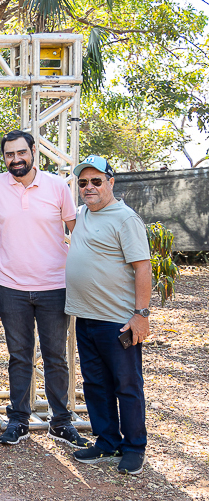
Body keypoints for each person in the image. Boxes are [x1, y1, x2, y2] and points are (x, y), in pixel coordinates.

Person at [0, 130, 89, 448]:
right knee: (19, 356)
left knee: (56, 357)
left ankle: (61, 422)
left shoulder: (57, 186)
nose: (15, 159)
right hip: (10, 287)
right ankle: (18, 420)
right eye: (9, 154)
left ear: (33, 152)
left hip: (54, 286)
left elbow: (77, 231)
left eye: (21, 152)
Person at [65, 155, 152, 475]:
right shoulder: (81, 214)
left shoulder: (125, 218)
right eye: (83, 182)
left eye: (96, 181)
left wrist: (141, 315)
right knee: (95, 384)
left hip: (118, 321)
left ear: (111, 182)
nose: (89, 187)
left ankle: (134, 447)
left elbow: (143, 267)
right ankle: (107, 441)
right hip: (85, 318)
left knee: (126, 385)